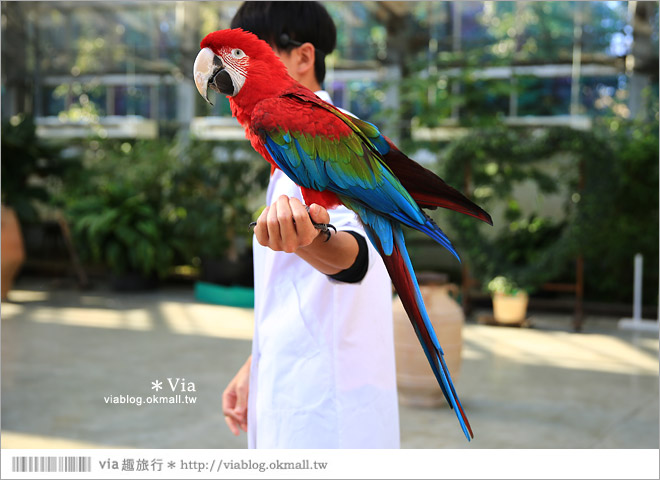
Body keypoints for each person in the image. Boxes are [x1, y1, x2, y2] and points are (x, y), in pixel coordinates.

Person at [222, 1, 399, 449]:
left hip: (327, 402)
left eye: (251, 54)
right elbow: (290, 286)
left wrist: (311, 239)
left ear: (303, 58)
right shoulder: (282, 135)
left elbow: (358, 255)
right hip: (292, 377)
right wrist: (255, 363)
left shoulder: (329, 131)